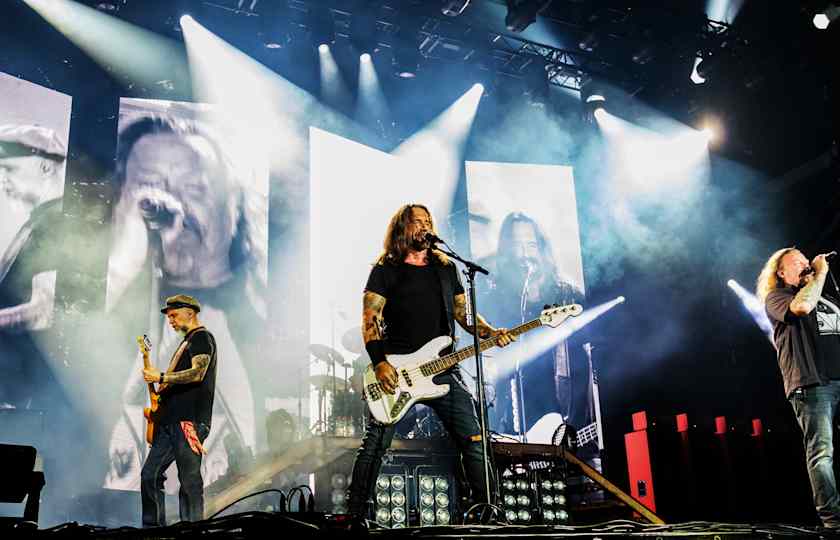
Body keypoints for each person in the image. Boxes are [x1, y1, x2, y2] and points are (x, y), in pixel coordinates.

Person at [104, 114, 266, 492]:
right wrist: (122, 264)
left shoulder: (259, 325)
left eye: (194, 187)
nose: (170, 201)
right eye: (149, 185)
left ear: (236, 205)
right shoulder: (108, 314)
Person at [346, 203, 515, 520]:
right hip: (397, 371)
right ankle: (357, 514)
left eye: (428, 221)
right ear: (401, 229)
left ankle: (490, 511)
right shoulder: (385, 270)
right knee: (376, 443)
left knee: (475, 439)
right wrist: (380, 362)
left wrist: (491, 332)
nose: (424, 226)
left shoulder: (445, 268)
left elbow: (463, 315)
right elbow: (370, 319)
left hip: (443, 370)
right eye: (417, 222)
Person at [479, 212, 585, 436]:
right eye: (517, 246)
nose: (524, 255)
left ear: (542, 249)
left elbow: (586, 360)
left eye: (531, 245)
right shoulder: (495, 297)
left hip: (561, 408)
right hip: (512, 412)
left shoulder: (566, 293)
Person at [758, 247, 840, 528]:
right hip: (813, 384)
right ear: (781, 273)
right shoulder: (778, 297)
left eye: (807, 261)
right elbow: (802, 307)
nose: (806, 265)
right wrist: (820, 273)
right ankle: (833, 520)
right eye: (797, 263)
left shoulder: (827, 298)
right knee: (822, 453)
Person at [140, 294, 217, 526]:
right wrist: (161, 384)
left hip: (189, 421)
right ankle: (153, 530)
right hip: (169, 421)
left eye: (174, 315)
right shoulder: (187, 341)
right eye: (168, 316)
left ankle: (193, 530)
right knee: (149, 476)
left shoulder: (202, 337)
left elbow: (198, 373)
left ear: (190, 313)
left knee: (189, 479)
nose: (170, 320)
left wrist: (161, 375)